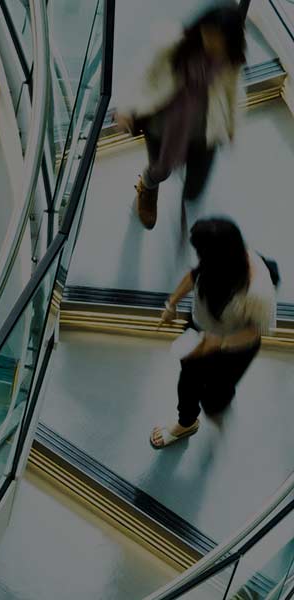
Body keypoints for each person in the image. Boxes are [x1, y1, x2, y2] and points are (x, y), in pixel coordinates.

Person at [115, 5, 246, 230]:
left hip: (205, 127)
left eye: (219, 39)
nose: (212, 42)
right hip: (164, 124)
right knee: (160, 170)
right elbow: (143, 73)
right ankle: (147, 186)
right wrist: (126, 107)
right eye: (209, 34)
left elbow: (233, 93)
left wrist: (232, 127)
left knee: (195, 188)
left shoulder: (229, 59)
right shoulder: (173, 43)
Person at [150, 218, 277, 448]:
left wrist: (219, 343)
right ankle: (186, 422)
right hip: (201, 330)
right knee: (188, 381)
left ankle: (216, 404)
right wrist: (171, 304)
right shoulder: (217, 260)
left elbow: (255, 333)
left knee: (216, 395)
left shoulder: (258, 291)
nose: (199, 258)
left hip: (232, 347)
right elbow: (194, 275)